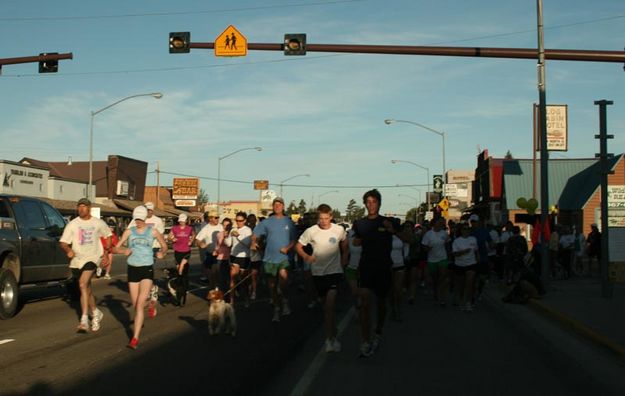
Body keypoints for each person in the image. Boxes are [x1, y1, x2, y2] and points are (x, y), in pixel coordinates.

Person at [295, 204, 348, 353]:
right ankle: (332, 331)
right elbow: (298, 246)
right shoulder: (311, 231)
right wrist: (306, 256)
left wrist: (344, 256)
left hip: (334, 272)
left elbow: (345, 243)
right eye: (321, 218)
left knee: (330, 305)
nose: (324, 221)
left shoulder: (339, 230)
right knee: (326, 308)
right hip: (318, 273)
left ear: (331, 217)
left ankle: (329, 339)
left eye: (326, 218)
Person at [114, 205, 168, 350]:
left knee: (138, 305)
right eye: (135, 219)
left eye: (139, 219)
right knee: (136, 304)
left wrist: (162, 252)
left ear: (144, 218)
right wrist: (123, 250)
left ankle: (135, 338)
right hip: (132, 269)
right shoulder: (128, 232)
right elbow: (116, 247)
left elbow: (164, 245)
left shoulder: (153, 231)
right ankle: (151, 301)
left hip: (146, 268)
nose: (137, 222)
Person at [352, 189, 394, 357]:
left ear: (379, 203)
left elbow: (408, 238)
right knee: (365, 303)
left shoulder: (388, 221)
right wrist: (357, 240)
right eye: (368, 202)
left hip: (383, 268)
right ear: (365, 204)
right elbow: (355, 240)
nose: (371, 205)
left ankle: (378, 330)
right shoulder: (360, 223)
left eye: (374, 202)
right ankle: (365, 340)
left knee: (382, 303)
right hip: (366, 268)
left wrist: (392, 230)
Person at [60, 198, 112, 333]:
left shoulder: (98, 223)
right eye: (79, 207)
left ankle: (83, 320)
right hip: (77, 260)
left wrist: (106, 253)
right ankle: (95, 312)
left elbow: (108, 236)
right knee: (86, 289)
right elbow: (63, 242)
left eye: (84, 206)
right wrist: (68, 250)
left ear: (89, 208)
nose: (81, 209)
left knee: (82, 284)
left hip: (92, 258)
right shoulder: (72, 224)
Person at [251, 197, 297, 322]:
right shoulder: (266, 222)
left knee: (283, 282)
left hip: (284, 258)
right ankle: (277, 308)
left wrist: (287, 248)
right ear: (273, 207)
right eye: (275, 205)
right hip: (269, 259)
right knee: (271, 287)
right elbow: (255, 234)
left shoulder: (289, 222)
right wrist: (253, 242)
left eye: (280, 205)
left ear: (283, 207)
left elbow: (294, 240)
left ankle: (285, 301)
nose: (277, 207)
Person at [421, 217, 450, 306]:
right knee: (434, 279)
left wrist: (449, 255)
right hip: (432, 259)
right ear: (434, 224)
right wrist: (427, 248)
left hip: (442, 258)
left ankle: (442, 298)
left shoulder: (444, 233)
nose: (440, 224)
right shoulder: (428, 234)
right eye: (438, 223)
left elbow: (447, 244)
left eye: (441, 223)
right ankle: (435, 290)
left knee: (442, 277)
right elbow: (424, 247)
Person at [168, 213, 195, 306]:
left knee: (181, 269)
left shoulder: (189, 228)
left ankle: (184, 288)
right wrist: (172, 239)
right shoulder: (175, 228)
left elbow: (193, 235)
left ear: (186, 221)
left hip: (186, 251)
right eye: (180, 220)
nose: (181, 222)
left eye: (183, 220)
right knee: (180, 271)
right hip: (177, 251)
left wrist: (191, 241)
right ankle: (181, 288)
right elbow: (169, 237)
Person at [452, 224, 478, 312]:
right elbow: (455, 254)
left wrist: (477, 259)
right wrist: (463, 252)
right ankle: (461, 301)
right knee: (461, 285)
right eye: (464, 229)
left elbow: (476, 250)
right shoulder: (457, 241)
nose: (466, 231)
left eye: (468, 229)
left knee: (469, 284)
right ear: (461, 230)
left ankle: (468, 303)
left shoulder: (473, 239)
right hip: (460, 264)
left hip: (471, 264)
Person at [229, 212, 253, 307]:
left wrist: (238, 235)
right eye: (237, 220)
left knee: (244, 281)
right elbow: (228, 243)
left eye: (240, 221)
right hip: (234, 256)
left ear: (245, 221)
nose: (238, 222)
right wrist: (227, 236)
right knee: (232, 278)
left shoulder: (248, 230)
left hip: (244, 257)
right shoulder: (233, 229)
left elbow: (247, 243)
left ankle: (246, 299)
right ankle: (231, 301)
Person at [195, 211, 224, 289]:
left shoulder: (221, 226)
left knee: (218, 273)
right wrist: (201, 244)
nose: (218, 219)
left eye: (218, 217)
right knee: (212, 274)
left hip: (221, 254)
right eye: (216, 217)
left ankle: (218, 290)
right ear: (210, 218)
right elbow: (198, 239)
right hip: (210, 254)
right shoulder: (206, 228)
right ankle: (213, 290)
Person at [215, 218, 233, 295]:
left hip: (230, 258)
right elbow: (217, 245)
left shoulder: (233, 233)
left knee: (230, 277)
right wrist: (215, 251)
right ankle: (223, 294)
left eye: (228, 225)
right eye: (224, 225)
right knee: (221, 277)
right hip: (220, 258)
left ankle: (230, 293)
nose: (226, 227)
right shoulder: (219, 234)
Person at [246, 214, 262, 300]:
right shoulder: (245, 230)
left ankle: (254, 291)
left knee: (254, 275)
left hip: (256, 256)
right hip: (246, 256)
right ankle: (248, 288)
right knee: (246, 275)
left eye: (253, 220)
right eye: (250, 220)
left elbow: (262, 241)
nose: (252, 221)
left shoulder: (259, 229)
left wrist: (258, 246)